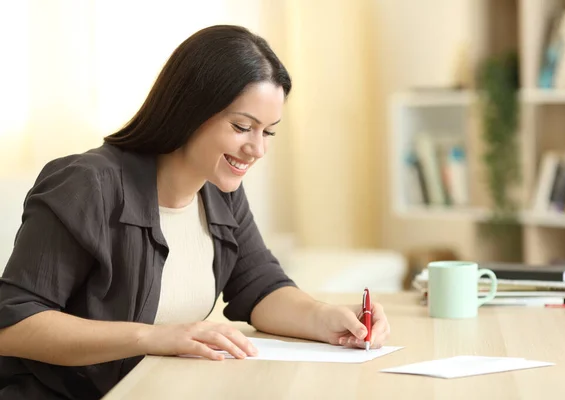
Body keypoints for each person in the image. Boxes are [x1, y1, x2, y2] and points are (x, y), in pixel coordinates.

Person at [0, 25, 391, 399]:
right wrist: (152, 336)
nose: (258, 149)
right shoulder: (88, 185)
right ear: (190, 110)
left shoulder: (219, 190)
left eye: (268, 131)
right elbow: (13, 323)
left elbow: (260, 286)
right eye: (242, 127)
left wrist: (329, 318)